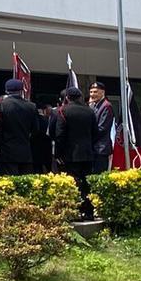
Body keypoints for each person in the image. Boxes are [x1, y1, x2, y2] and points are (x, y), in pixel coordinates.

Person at [51, 86, 98, 220]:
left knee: (74, 182)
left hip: (70, 154)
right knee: (86, 183)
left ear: (67, 97)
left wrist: (58, 154)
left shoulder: (63, 111)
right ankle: (88, 211)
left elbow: (59, 135)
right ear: (80, 97)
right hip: (87, 153)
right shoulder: (89, 111)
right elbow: (96, 132)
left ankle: (75, 211)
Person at [0, 79, 43, 174]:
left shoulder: (1, 105)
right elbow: (36, 130)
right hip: (25, 151)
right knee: (25, 180)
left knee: (9, 180)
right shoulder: (31, 106)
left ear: (6, 91)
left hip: (7, 151)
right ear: (21, 91)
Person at [88, 83, 115, 169]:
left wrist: (88, 136)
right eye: (91, 92)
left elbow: (102, 128)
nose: (92, 94)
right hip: (93, 148)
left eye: (95, 92)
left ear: (102, 92)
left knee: (99, 173)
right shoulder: (93, 106)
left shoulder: (106, 106)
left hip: (101, 149)